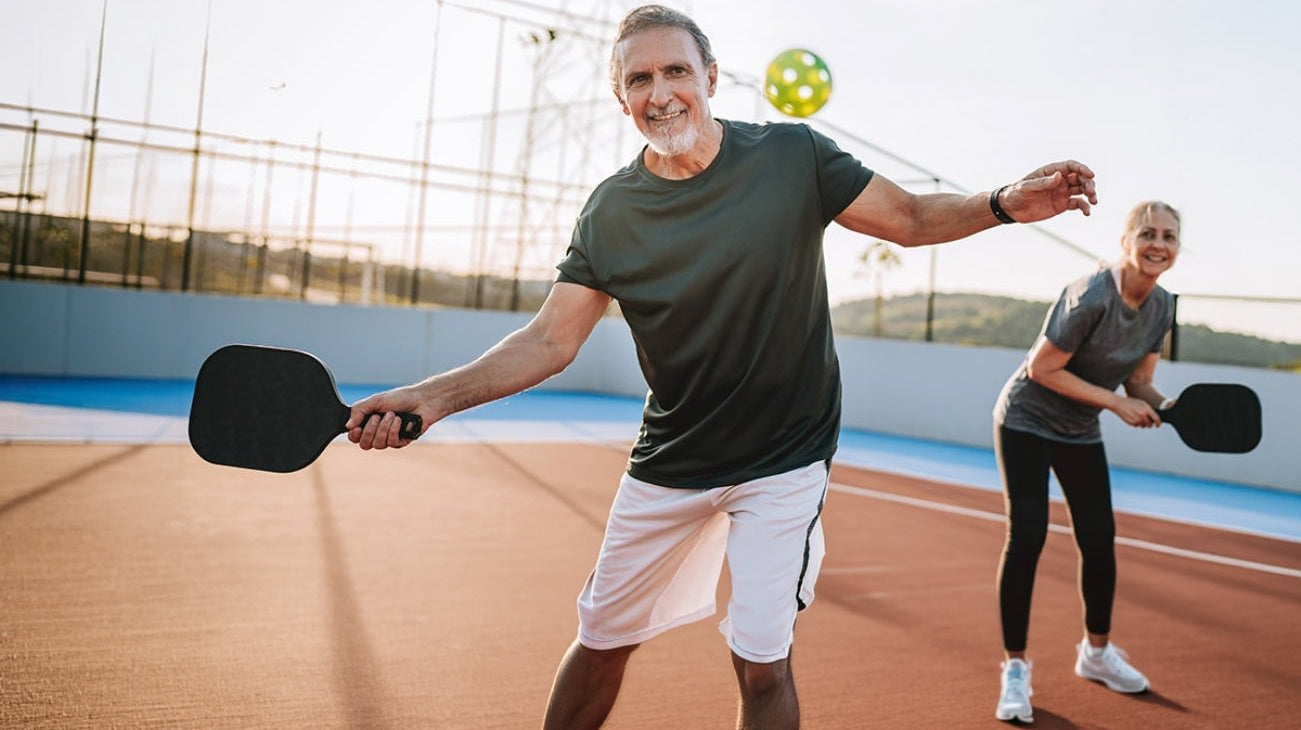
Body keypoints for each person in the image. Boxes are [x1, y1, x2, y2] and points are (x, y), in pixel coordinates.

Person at [347, 5, 1098, 728]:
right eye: (639, 80)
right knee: (602, 639)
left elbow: (906, 219)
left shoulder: (791, 157)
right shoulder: (609, 212)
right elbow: (549, 341)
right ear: (621, 99)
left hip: (784, 459)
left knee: (762, 661)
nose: (660, 92)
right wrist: (430, 398)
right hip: (672, 457)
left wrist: (1001, 202)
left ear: (710, 75)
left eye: (675, 70)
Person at [991, 201, 1181, 723]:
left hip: (1078, 428)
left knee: (1099, 539)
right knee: (1026, 535)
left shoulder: (1164, 306)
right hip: (1026, 419)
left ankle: (1095, 655)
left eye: (1168, 236)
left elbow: (1138, 379)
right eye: (1147, 233)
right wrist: (1119, 403)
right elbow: (1042, 367)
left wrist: (1162, 405)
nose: (1157, 244)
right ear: (1127, 241)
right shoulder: (1091, 294)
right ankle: (1015, 668)